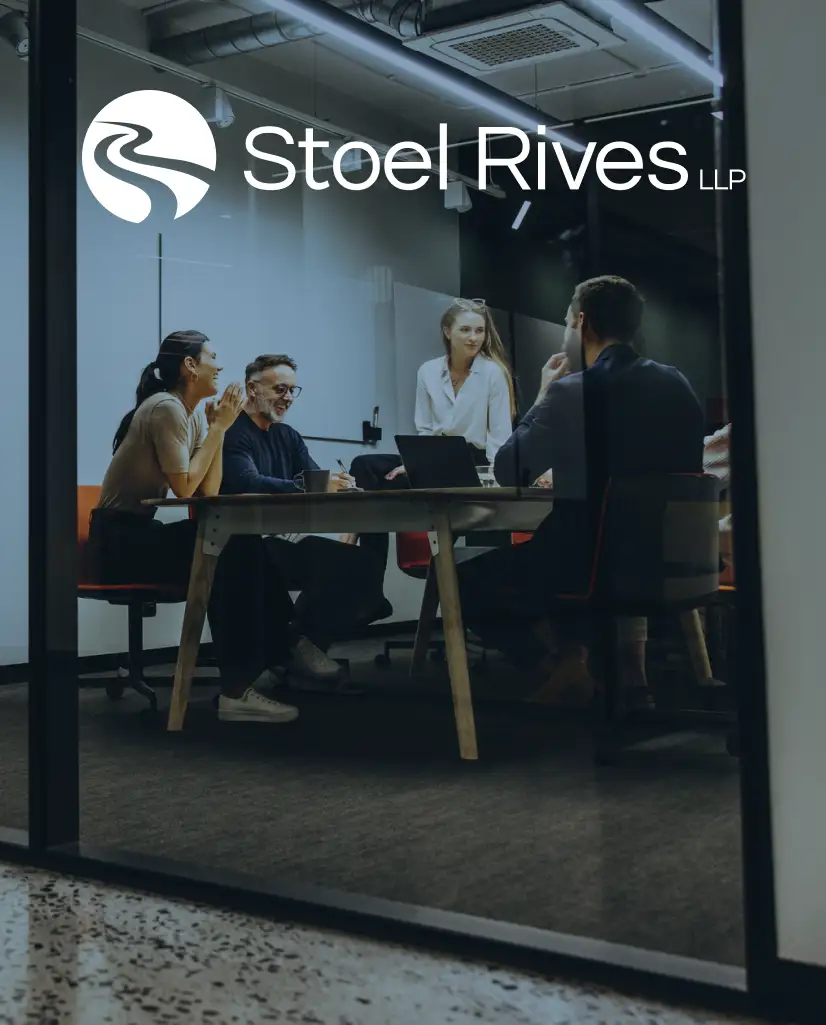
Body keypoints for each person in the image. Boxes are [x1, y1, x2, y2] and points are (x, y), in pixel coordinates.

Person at [457, 276, 705, 704]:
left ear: (582, 323)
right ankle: (579, 664)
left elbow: (509, 470)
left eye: (567, 322)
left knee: (464, 581)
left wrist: (541, 395)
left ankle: (555, 668)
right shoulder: (678, 384)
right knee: (566, 542)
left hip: (592, 562)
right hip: (673, 558)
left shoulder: (573, 392)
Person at [88, 330, 300, 725]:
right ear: (190, 365)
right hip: (118, 544)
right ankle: (244, 685)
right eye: (212, 358)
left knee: (238, 543)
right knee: (231, 547)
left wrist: (217, 428)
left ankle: (272, 659)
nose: (219, 366)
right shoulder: (165, 407)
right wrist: (219, 430)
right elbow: (185, 489)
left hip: (136, 536)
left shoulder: (190, 414)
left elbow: (209, 490)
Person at [220, 354, 388, 683]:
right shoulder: (234, 432)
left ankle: (298, 639)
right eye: (279, 389)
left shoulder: (288, 435)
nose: (287, 398)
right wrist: (310, 484)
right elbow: (248, 483)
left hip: (284, 539)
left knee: (360, 562)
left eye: (292, 391)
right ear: (252, 389)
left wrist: (341, 486)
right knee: (345, 567)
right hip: (244, 546)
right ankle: (294, 643)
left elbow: (314, 479)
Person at [348, 296, 516, 573]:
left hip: (475, 462)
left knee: (481, 530)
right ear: (448, 331)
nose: (474, 338)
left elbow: (499, 437)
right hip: (434, 459)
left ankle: (354, 537)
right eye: (465, 330)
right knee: (365, 466)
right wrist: (413, 463)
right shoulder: (428, 371)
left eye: (479, 330)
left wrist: (493, 482)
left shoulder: (493, 373)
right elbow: (425, 429)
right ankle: (368, 579)